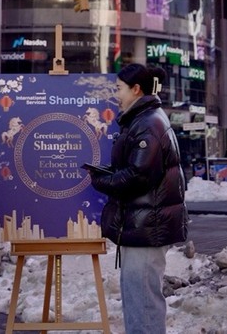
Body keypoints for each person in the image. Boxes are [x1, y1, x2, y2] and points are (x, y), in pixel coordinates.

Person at [88, 64, 188, 334]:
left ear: (136, 89)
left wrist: (100, 180)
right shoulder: (143, 119)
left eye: (119, 88)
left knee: (142, 303)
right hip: (142, 224)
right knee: (138, 299)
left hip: (146, 226)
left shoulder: (148, 123)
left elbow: (138, 175)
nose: (115, 94)